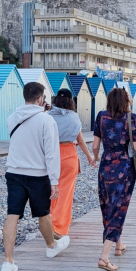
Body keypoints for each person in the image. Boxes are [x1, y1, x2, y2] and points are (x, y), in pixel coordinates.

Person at [0, 81, 69, 271]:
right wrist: (54, 181)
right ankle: (51, 246)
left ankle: (8, 262)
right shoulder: (47, 122)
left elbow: (26, 125)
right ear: (40, 99)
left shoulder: (12, 118)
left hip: (14, 172)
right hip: (38, 174)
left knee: (12, 215)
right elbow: (51, 154)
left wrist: (41, 111)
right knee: (43, 213)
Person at [93, 87, 136, 271]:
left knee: (107, 207)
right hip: (123, 168)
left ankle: (118, 245)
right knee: (118, 209)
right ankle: (104, 257)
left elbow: (95, 145)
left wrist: (95, 157)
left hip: (105, 167)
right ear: (125, 101)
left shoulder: (101, 117)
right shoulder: (131, 118)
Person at [48, 88, 96, 239]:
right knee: (65, 192)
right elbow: (80, 140)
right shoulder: (74, 117)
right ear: (71, 101)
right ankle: (58, 226)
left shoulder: (47, 117)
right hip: (69, 155)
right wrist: (89, 157)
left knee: (52, 190)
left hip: (51, 155)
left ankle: (48, 222)